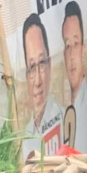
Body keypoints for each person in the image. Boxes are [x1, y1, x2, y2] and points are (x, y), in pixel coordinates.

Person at [19, 13, 64, 161]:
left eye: (42, 63)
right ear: (26, 75)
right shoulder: (26, 133)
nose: (37, 81)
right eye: (32, 67)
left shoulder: (64, 119)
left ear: (50, 65)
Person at [62, 1, 87, 152]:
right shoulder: (60, 108)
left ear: (83, 49)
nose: (71, 56)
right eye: (67, 46)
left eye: (76, 44)